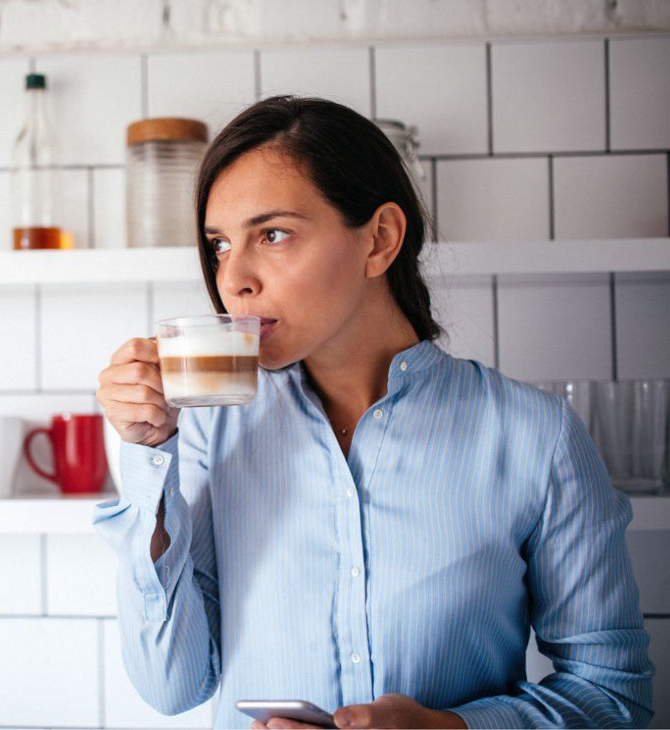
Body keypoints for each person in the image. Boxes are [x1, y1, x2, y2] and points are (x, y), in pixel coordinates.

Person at [92, 96, 654, 729]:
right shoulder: (204, 430)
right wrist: (147, 458)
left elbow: (613, 700)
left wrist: (449, 729)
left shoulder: (534, 436)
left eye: (272, 234)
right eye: (220, 245)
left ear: (380, 239)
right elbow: (172, 686)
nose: (233, 279)